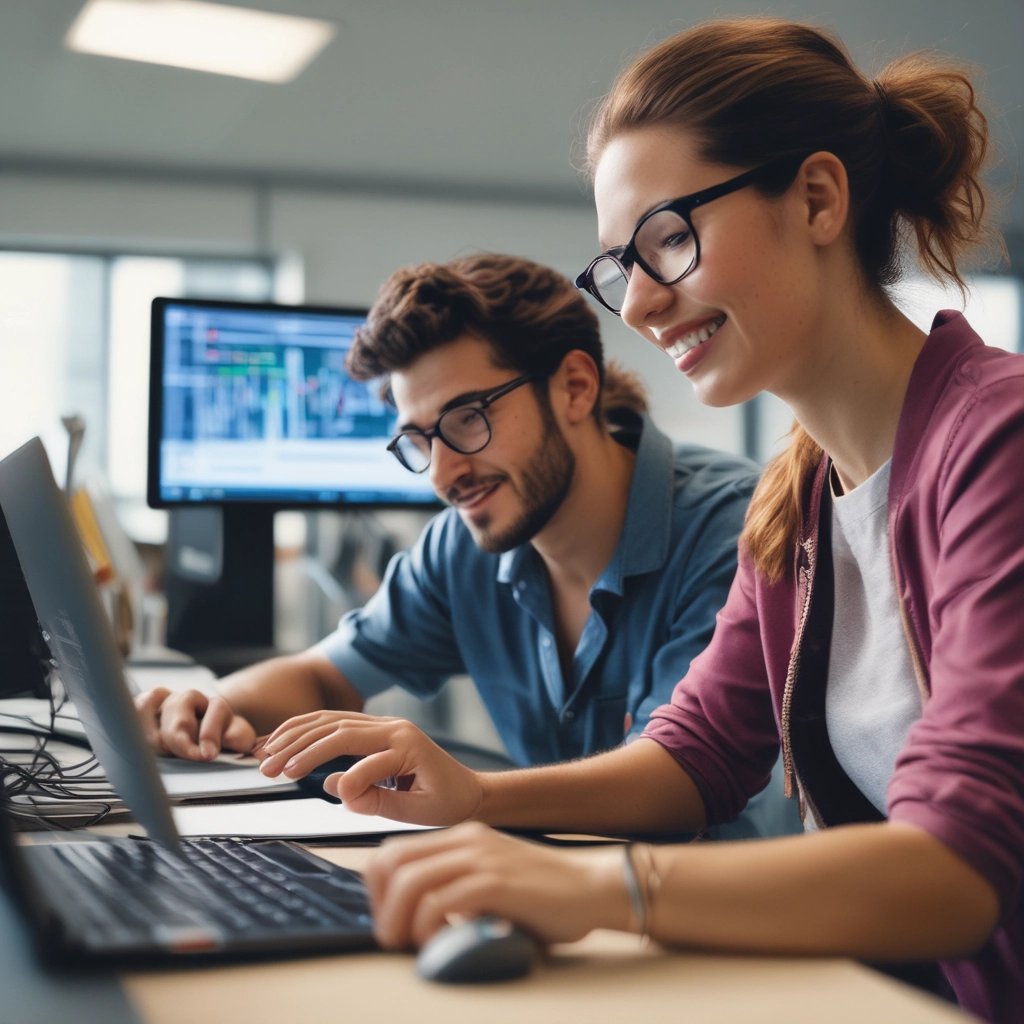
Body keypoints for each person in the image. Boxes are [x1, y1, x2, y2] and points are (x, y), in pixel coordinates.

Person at [262, 19, 1022, 1023]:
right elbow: (696, 752)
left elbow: (956, 871)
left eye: (670, 238)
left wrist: (598, 890)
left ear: (818, 198)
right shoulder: (795, 496)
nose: (644, 306)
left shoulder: (996, 442)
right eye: (622, 266)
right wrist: (480, 800)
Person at [137, 252, 796, 839]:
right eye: (420, 441)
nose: (443, 473)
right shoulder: (464, 545)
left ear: (574, 386)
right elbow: (323, 674)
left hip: (731, 923)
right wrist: (216, 704)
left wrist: (471, 796)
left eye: (468, 420)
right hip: (559, 890)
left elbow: (678, 783)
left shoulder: (734, 526)